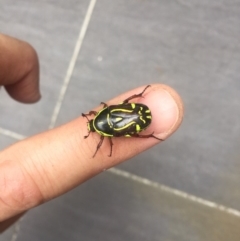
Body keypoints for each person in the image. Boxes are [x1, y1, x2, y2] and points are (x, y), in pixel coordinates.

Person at [0, 34, 184, 232]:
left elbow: (108, 137)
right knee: (127, 117)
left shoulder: (107, 130)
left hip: (136, 120)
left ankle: (147, 125)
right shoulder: (103, 115)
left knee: (129, 132)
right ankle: (145, 111)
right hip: (136, 116)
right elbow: (111, 112)